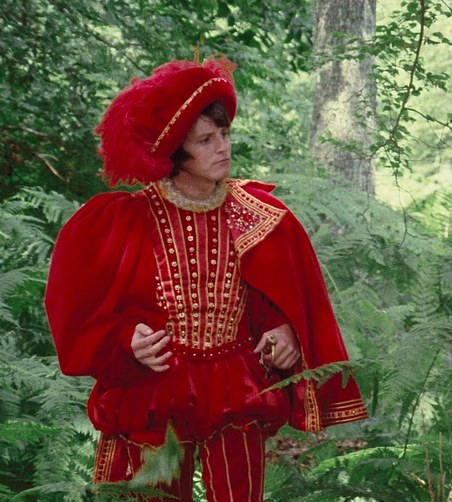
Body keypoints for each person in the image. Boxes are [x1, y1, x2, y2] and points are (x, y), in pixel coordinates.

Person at [44, 56, 367, 501]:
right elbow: (77, 308)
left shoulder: (261, 215)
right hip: (154, 388)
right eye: (206, 139)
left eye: (225, 134)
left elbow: (283, 297)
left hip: (237, 388)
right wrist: (124, 338)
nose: (223, 148)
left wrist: (284, 328)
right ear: (175, 151)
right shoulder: (124, 221)